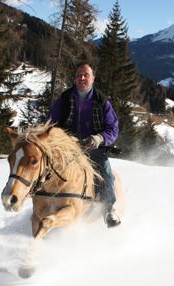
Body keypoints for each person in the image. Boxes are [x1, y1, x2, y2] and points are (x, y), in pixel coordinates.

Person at [47, 62, 121, 228]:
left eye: (86, 75)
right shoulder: (65, 99)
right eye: (79, 75)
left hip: (93, 148)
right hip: (68, 147)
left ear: (93, 78)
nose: (81, 78)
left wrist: (99, 139)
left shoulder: (101, 102)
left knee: (105, 170)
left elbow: (113, 128)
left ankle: (108, 209)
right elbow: (50, 120)